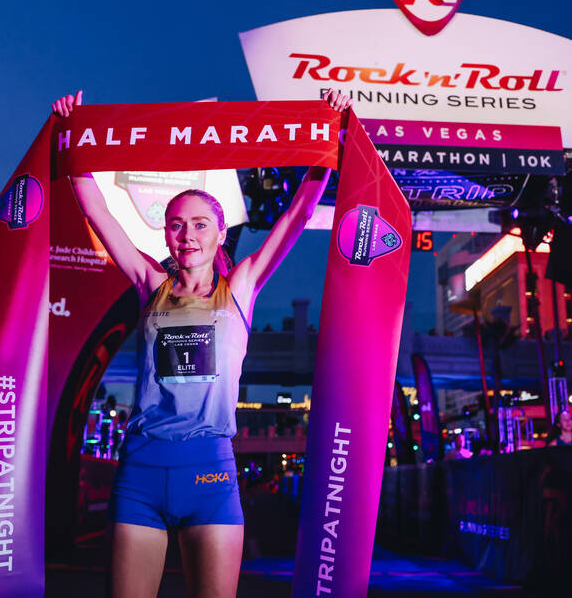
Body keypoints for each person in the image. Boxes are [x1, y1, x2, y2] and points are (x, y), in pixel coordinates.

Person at [52, 88, 351, 598]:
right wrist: (70, 134)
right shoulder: (150, 283)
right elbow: (97, 210)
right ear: (166, 235)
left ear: (219, 235)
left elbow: (298, 215)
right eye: (176, 225)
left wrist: (331, 136)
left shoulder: (241, 287)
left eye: (199, 225)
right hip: (142, 469)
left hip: (209, 471)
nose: (187, 234)